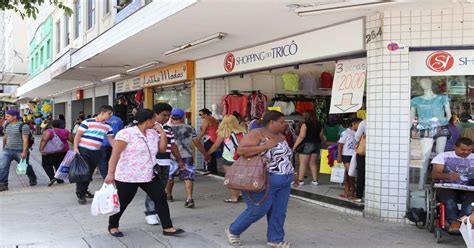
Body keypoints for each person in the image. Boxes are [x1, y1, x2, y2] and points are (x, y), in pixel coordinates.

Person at [105, 109, 185, 237]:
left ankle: (168, 227)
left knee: (160, 197)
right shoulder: (126, 133)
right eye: (153, 119)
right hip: (128, 175)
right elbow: (115, 154)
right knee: (123, 201)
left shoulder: (153, 133)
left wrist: (162, 133)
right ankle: (113, 225)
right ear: (147, 120)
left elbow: (162, 150)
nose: (156, 122)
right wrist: (110, 173)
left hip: (148, 173)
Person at [226, 111, 296, 248]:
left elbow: (284, 157)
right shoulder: (257, 133)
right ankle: (233, 230)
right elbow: (241, 151)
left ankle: (275, 239)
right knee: (257, 210)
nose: (284, 125)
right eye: (281, 122)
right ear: (271, 122)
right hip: (263, 180)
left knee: (279, 211)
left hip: (284, 180)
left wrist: (292, 174)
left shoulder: (280, 136)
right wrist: (265, 146)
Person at [144, 103, 185, 225]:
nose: (167, 118)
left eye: (169, 115)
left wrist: (179, 159)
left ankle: (157, 211)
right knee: (152, 190)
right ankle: (150, 212)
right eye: (164, 115)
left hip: (165, 162)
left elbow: (172, 146)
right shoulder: (147, 128)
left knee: (161, 190)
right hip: (152, 163)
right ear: (155, 114)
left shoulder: (168, 129)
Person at [167, 108, 210, 208]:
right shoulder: (190, 128)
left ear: (171, 117)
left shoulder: (167, 128)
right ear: (183, 117)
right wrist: (205, 154)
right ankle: (189, 198)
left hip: (171, 156)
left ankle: (168, 195)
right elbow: (196, 143)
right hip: (187, 156)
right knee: (188, 177)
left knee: (170, 176)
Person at [73, 105, 115, 205]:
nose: (110, 116)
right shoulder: (87, 122)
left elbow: (111, 140)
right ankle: (80, 195)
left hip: (96, 152)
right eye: (109, 114)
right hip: (83, 150)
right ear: (102, 112)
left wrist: (118, 150)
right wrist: (75, 148)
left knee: (89, 173)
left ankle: (84, 190)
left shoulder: (107, 126)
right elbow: (78, 135)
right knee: (84, 173)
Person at [431, 137, 474, 233]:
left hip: (468, 190)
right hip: (446, 188)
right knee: (448, 198)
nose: (466, 152)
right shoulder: (443, 156)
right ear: (455, 147)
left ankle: (465, 220)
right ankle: (454, 222)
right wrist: (448, 176)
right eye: (463, 149)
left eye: (469, 150)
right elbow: (434, 174)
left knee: (471, 198)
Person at [207, 115, 246, 203]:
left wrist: (207, 154)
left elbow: (215, 146)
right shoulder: (242, 131)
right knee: (239, 177)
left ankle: (233, 197)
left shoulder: (224, 133)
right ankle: (239, 194)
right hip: (241, 158)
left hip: (228, 158)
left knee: (229, 178)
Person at [0, 110, 38, 191]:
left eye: (8, 116)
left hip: (19, 150)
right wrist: (3, 148)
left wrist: (24, 152)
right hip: (7, 150)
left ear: (15, 117)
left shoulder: (24, 126)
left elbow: (25, 140)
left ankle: (33, 178)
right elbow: (5, 137)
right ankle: (3, 184)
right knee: (3, 167)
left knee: (25, 167)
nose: (6, 118)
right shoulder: (7, 125)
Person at [292, 110, 325, 186]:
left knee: (303, 163)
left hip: (307, 144)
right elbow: (321, 136)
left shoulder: (305, 124)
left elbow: (301, 136)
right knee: (313, 163)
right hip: (316, 144)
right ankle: (315, 180)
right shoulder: (319, 124)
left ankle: (300, 180)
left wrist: (295, 146)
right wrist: (323, 143)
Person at [39, 120, 70, 186]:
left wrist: (41, 149)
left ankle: (52, 177)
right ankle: (60, 179)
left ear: (52, 125)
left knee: (46, 165)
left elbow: (44, 140)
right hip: (63, 151)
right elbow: (71, 139)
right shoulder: (66, 131)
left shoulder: (49, 131)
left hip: (50, 151)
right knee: (59, 164)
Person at [337, 118, 362, 199]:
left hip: (354, 155)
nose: (360, 127)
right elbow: (340, 145)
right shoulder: (345, 133)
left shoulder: (359, 133)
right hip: (346, 155)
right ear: (354, 123)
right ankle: (352, 190)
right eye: (359, 124)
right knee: (350, 173)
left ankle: (347, 191)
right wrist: (339, 156)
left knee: (349, 174)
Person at [99, 113, 124, 179]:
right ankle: (114, 174)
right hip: (115, 142)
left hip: (103, 142)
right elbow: (122, 130)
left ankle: (105, 175)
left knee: (103, 160)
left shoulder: (102, 119)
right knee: (114, 158)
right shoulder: (118, 119)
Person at [198, 108, 219, 175]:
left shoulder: (206, 120)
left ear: (206, 114)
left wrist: (198, 138)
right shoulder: (214, 119)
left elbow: (203, 131)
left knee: (208, 153)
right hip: (214, 137)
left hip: (209, 138)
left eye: (201, 114)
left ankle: (209, 169)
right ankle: (213, 169)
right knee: (212, 154)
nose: (200, 116)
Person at [353, 119, 366, 203]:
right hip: (377, 153)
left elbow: (357, 136)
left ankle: (359, 196)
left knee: (361, 173)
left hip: (364, 152)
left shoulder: (364, 122)